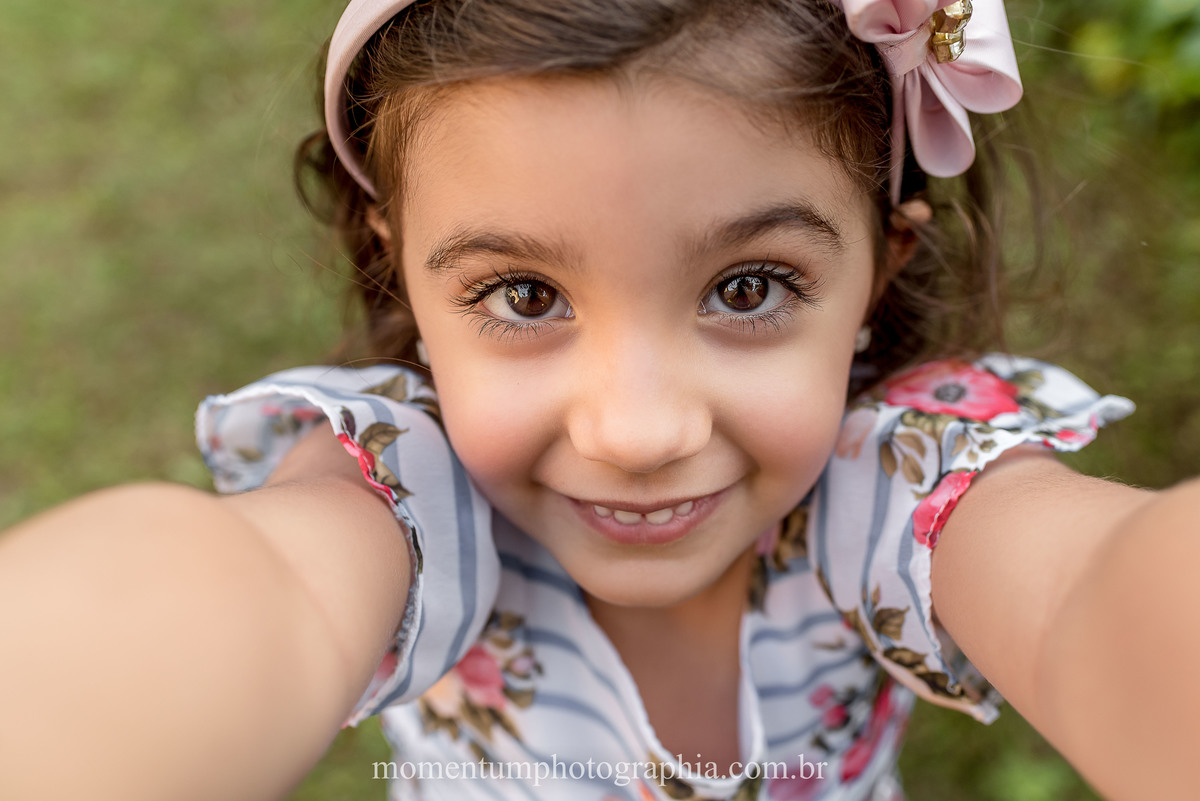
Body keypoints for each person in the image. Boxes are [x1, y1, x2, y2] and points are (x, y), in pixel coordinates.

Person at [0, 1, 1197, 800]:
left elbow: (1098, 593)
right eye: (524, 296)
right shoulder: (405, 483)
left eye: (748, 285)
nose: (636, 431)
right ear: (399, 264)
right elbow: (242, 594)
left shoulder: (895, 478)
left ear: (879, 266)